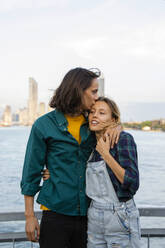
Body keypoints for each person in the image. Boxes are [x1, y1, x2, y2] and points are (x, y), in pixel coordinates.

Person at [20, 67, 121, 248]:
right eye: (93, 91)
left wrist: (116, 127)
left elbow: (114, 128)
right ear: (78, 91)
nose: (96, 97)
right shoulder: (44, 125)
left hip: (91, 215)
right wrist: (29, 216)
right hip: (55, 214)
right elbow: (30, 172)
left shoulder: (94, 124)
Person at [86, 97, 141, 248]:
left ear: (113, 119)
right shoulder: (89, 143)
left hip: (119, 215)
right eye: (92, 112)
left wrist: (106, 154)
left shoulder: (123, 139)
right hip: (94, 217)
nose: (95, 115)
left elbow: (132, 183)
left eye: (102, 112)